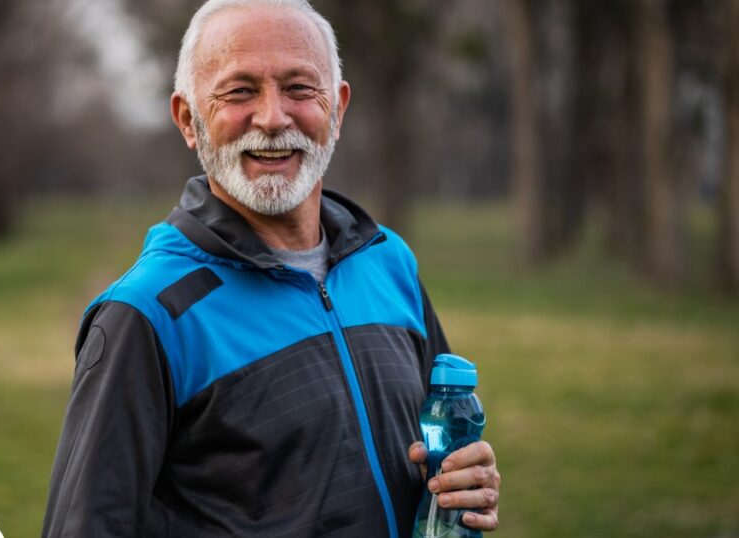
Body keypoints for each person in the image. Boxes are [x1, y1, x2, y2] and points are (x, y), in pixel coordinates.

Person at [41, 1, 500, 536]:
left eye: (300, 88)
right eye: (240, 91)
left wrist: (467, 484)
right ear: (189, 120)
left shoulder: (388, 262)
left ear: (337, 110)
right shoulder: (147, 315)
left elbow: (442, 449)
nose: (273, 117)